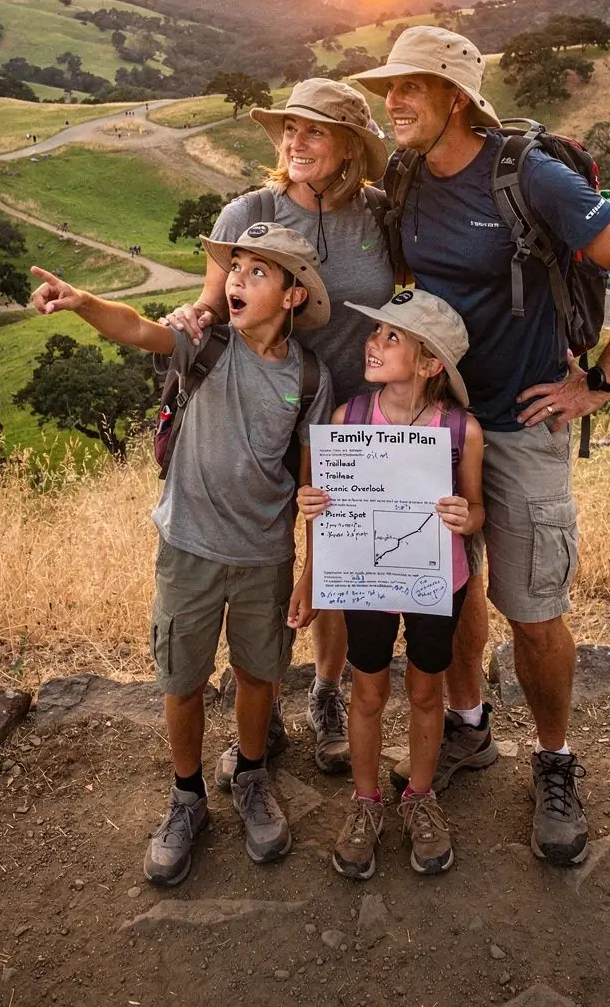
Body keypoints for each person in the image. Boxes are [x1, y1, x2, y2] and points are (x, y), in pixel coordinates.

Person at [353, 26, 610, 866]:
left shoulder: (529, 175)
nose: (394, 103)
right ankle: (468, 729)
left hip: (524, 423)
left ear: (456, 98)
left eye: (411, 88)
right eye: (390, 88)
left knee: (532, 611)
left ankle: (555, 760)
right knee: (451, 592)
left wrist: (597, 383)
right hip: (439, 423)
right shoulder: (405, 175)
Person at [28, 223, 334, 885]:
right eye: (237, 268)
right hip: (188, 547)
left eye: (259, 272)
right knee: (183, 680)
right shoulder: (203, 342)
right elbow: (138, 329)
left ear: (291, 296)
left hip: (263, 557)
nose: (238, 281)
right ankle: (187, 796)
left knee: (259, 675)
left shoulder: (310, 376)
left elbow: (314, 484)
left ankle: (251, 776)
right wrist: (83, 302)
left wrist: (312, 571)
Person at [163, 78, 395, 777]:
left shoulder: (380, 215)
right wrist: (186, 319)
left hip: (354, 411)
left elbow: (407, 291)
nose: (295, 142)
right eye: (289, 130)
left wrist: (410, 358)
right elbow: (213, 303)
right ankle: (262, 716)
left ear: (350, 145)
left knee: (339, 555)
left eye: (314, 131)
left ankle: (326, 692)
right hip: (263, 407)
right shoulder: (249, 211)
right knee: (273, 553)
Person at [300, 289, 484, 879]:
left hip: (437, 581)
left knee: (428, 692)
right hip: (367, 582)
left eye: (391, 337)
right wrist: (313, 504)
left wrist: (466, 516)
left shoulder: (462, 431)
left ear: (431, 364)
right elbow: (325, 505)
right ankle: (365, 801)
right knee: (368, 692)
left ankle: (420, 796)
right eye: (376, 332)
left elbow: (477, 511)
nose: (372, 344)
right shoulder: (346, 420)